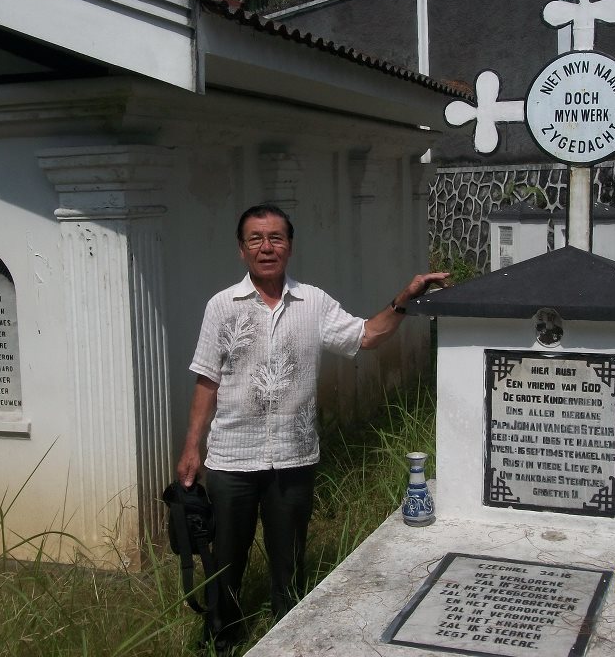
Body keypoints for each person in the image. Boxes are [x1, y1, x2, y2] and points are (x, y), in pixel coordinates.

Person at [176, 203, 447, 648]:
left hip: (293, 456)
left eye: (276, 238)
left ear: (290, 246)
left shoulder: (313, 302)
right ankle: (222, 639)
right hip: (232, 456)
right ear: (242, 250)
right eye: (256, 239)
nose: (267, 247)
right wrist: (192, 446)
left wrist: (404, 298)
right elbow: (207, 379)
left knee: (290, 562)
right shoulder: (222, 307)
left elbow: (365, 336)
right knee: (226, 561)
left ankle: (288, 640)